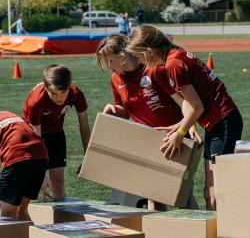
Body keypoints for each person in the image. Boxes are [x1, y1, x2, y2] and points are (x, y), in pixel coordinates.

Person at [126, 24, 243, 211]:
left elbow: (197, 107)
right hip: (216, 123)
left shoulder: (173, 64)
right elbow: (191, 104)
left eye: (139, 57)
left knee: (218, 192)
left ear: (149, 51)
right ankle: (211, 230)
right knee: (209, 192)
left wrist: (180, 133)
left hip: (224, 122)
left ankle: (227, 230)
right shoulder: (173, 58)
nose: (139, 61)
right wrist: (177, 126)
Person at [95, 34, 203, 211]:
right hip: (147, 142)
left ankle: (197, 232)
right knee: (153, 196)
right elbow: (125, 109)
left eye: (109, 60)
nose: (107, 66)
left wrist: (188, 127)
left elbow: (185, 102)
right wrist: (115, 110)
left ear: (122, 57)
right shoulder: (115, 79)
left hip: (173, 139)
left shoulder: (154, 69)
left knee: (183, 195)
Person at [22, 64, 91, 200]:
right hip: (31, 133)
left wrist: (88, 158)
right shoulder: (36, 101)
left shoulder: (76, 94)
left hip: (56, 132)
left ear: (69, 86)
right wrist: (40, 173)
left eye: (63, 93)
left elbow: (84, 127)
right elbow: (36, 137)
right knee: (31, 184)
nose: (59, 98)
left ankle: (61, 219)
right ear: (46, 87)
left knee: (58, 183)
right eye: (53, 93)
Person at [0, 111, 48, 220]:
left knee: (7, 215)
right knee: (21, 211)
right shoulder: (7, 114)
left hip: (18, 157)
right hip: (41, 157)